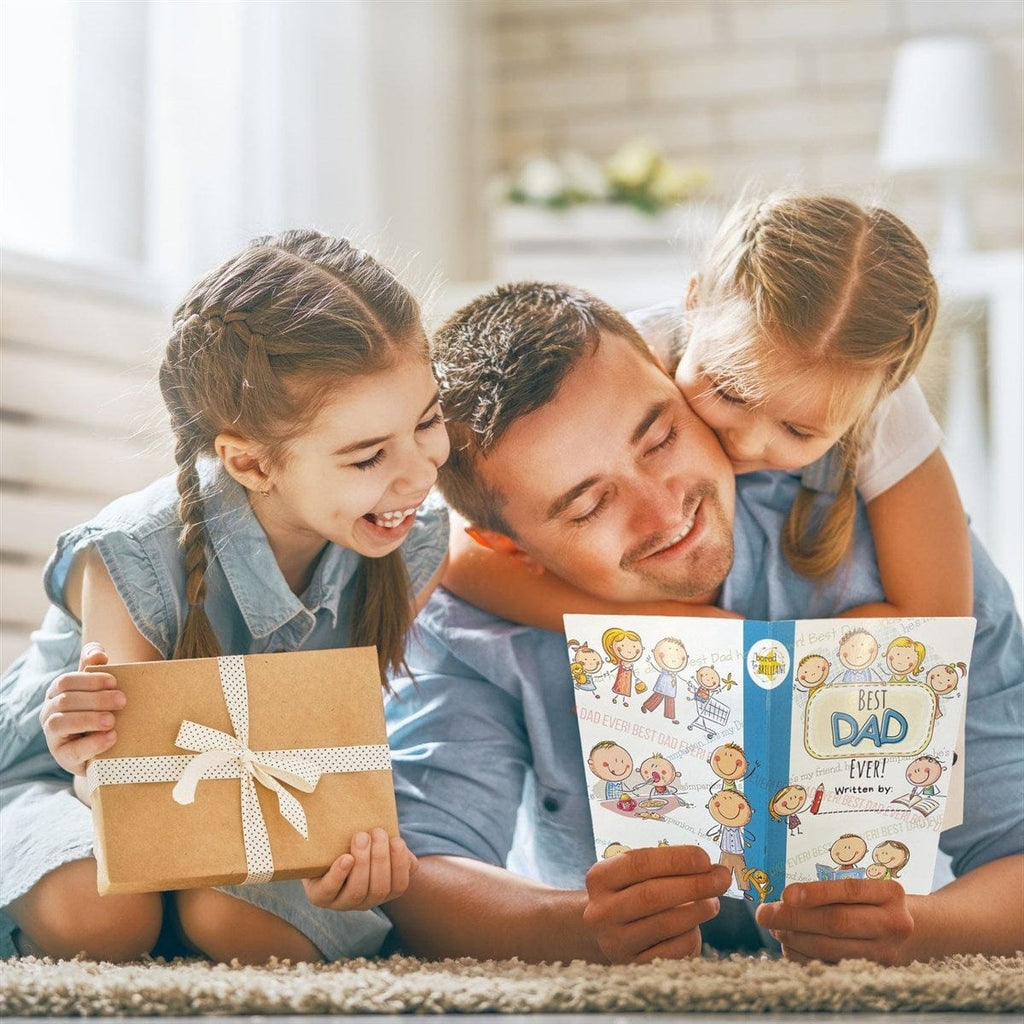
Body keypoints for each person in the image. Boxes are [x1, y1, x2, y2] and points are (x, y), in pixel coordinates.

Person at [382, 278, 1023, 966]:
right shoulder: (467, 616)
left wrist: (922, 930)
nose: (666, 512)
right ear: (507, 549)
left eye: (661, 439)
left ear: (682, 386)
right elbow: (417, 867)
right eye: (590, 506)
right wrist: (568, 924)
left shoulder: (897, 555)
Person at [0, 231, 450, 963]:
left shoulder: (413, 540)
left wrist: (352, 852)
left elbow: (347, 754)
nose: (417, 473)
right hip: (68, 791)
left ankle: (190, 920)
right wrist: (82, 746)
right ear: (249, 461)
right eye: (368, 456)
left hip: (269, 799)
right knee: (102, 918)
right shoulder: (134, 552)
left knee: (239, 924)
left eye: (428, 421)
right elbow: (120, 786)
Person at [442, 193, 972, 631]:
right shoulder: (615, 365)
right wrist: (646, 623)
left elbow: (938, 621)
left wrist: (759, 655)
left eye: (796, 429)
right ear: (693, 305)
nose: (743, 443)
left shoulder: (877, 402)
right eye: (730, 393)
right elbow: (454, 549)